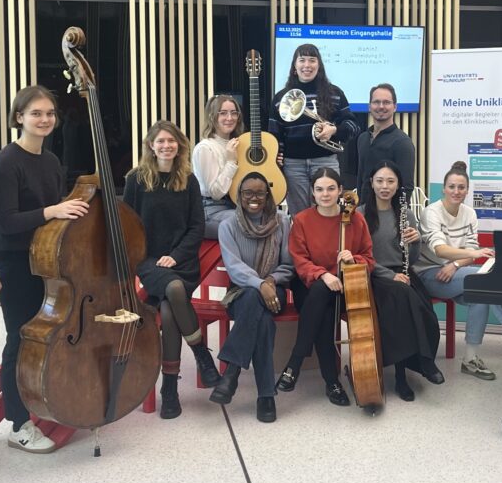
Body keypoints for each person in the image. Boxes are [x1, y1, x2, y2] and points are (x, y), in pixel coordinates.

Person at [0, 85, 87, 454]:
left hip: (47, 262)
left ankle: (49, 400)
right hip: (16, 265)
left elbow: (51, 213)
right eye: (35, 114)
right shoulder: (6, 163)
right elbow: (6, 222)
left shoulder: (49, 161)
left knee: (52, 338)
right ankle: (17, 423)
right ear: (19, 118)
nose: (44, 120)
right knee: (21, 340)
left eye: (49, 114)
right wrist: (53, 210)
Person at [123, 120, 219, 419]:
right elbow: (129, 225)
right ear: (150, 146)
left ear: (180, 145)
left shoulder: (188, 180)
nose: (166, 146)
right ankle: (201, 353)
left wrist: (176, 256)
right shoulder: (136, 180)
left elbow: (196, 227)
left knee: (168, 311)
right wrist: (149, 260)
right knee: (174, 290)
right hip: (149, 261)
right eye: (160, 141)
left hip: (181, 261)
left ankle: (169, 389)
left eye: (172, 141)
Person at [412, 161, 502, 381]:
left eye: (461, 187)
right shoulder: (431, 213)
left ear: (467, 190)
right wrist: (471, 256)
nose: (456, 191)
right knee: (484, 282)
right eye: (452, 186)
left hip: (454, 270)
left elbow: (469, 247)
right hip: (428, 273)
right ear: (443, 188)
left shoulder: (469, 213)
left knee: (480, 296)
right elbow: (440, 249)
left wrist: (456, 264)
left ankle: (470, 359)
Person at [276, 167, 373, 406]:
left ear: (340, 190)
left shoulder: (354, 219)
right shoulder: (302, 219)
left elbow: (369, 259)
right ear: (312, 192)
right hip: (307, 286)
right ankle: (332, 382)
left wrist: (353, 259)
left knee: (325, 300)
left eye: (331, 188)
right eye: (319, 189)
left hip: (343, 286)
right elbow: (299, 259)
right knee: (323, 301)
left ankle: (295, 362)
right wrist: (322, 275)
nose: (325, 194)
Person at [210, 173, 295, 423]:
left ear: (268, 195)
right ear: (239, 196)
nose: (254, 198)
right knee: (260, 315)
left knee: (255, 302)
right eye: (248, 193)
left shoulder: (283, 222)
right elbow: (234, 268)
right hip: (240, 293)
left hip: (274, 290)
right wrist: (259, 284)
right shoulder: (228, 225)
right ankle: (266, 396)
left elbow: (288, 266)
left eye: (260, 193)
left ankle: (231, 374)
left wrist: (270, 282)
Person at [359, 160, 444, 401]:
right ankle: (410, 371)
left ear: (398, 186)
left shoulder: (406, 214)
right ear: (372, 184)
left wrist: (415, 241)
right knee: (404, 298)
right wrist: (390, 275)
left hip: (404, 272)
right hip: (374, 275)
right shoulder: (360, 214)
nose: (385, 186)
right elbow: (361, 258)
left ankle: (419, 363)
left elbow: (412, 258)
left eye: (390, 181)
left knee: (424, 308)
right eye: (380, 181)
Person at [268, 43, 359, 217]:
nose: (307, 65)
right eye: (302, 60)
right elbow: (274, 134)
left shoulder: (335, 93)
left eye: (312, 60)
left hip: (325, 159)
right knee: (300, 216)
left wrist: (334, 130)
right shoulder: (281, 98)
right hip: (293, 164)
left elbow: (353, 126)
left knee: (329, 212)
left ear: (319, 65)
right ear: (295, 66)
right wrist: (276, 157)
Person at [192, 95, 244, 239]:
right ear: (212, 116)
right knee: (251, 222)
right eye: (223, 113)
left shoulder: (240, 144)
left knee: (280, 218)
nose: (230, 118)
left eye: (234, 113)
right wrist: (231, 162)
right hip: (211, 210)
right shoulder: (205, 148)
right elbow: (215, 192)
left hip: (237, 206)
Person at [355, 84, 416, 203]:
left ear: (395, 107)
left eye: (386, 102)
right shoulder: (363, 138)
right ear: (369, 106)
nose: (381, 106)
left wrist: (398, 216)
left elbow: (406, 187)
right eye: (376, 102)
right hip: (363, 212)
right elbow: (360, 180)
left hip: (389, 214)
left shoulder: (402, 142)